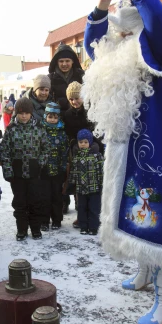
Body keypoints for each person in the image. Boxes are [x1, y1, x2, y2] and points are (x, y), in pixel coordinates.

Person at [81, 0, 162, 324]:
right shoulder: (118, 53)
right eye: (119, 29)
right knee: (132, 213)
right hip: (125, 151)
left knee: (156, 221)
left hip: (155, 152)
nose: (121, 35)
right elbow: (93, 47)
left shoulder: (159, 50)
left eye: (128, 29)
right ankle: (144, 272)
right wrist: (101, 3)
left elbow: (160, 24)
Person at [0, 97, 50, 241]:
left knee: (35, 201)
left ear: (31, 113)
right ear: (16, 113)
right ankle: (21, 229)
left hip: (34, 172)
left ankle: (35, 229)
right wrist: (8, 170)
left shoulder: (39, 128)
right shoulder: (11, 129)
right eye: (20, 113)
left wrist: (40, 163)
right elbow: (5, 151)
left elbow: (46, 148)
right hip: (17, 173)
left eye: (26, 113)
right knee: (20, 202)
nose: (23, 116)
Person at [63, 81, 97, 220]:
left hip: (91, 151)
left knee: (89, 184)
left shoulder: (91, 112)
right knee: (77, 182)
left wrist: (94, 145)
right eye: (71, 99)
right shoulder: (67, 114)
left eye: (77, 98)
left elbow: (97, 131)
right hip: (75, 152)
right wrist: (73, 144)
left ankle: (90, 214)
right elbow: (67, 133)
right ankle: (79, 210)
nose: (74, 101)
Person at [69, 129, 104, 235]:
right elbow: (74, 170)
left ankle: (93, 227)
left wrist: (101, 183)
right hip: (81, 187)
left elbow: (101, 170)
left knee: (94, 208)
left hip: (94, 187)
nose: (83, 144)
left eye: (85, 142)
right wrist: (72, 181)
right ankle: (83, 226)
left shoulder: (96, 155)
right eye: (81, 142)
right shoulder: (77, 156)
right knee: (81, 207)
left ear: (90, 142)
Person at [40, 102, 68, 231]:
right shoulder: (40, 131)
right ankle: (44, 221)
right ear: (46, 116)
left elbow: (64, 152)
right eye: (50, 116)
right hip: (44, 170)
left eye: (55, 117)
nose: (52, 120)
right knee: (44, 197)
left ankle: (57, 220)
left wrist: (63, 168)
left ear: (59, 118)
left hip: (57, 170)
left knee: (57, 196)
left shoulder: (62, 133)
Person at [48, 44, 84, 111]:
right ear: (57, 62)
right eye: (61, 61)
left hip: (79, 115)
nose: (64, 64)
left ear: (72, 61)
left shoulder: (81, 76)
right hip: (58, 117)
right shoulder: (50, 79)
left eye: (67, 61)